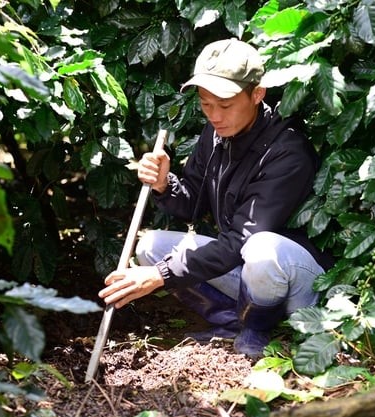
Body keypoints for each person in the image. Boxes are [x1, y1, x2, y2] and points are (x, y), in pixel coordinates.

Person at [98, 38, 332, 359]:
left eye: (224, 105)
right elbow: (193, 203)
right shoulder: (217, 133)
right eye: (206, 104)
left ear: (257, 94)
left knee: (260, 250)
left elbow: (240, 241)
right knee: (150, 248)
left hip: (295, 278)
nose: (214, 116)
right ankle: (234, 322)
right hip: (246, 266)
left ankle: (259, 329)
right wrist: (165, 183)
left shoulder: (287, 151)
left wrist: (160, 276)